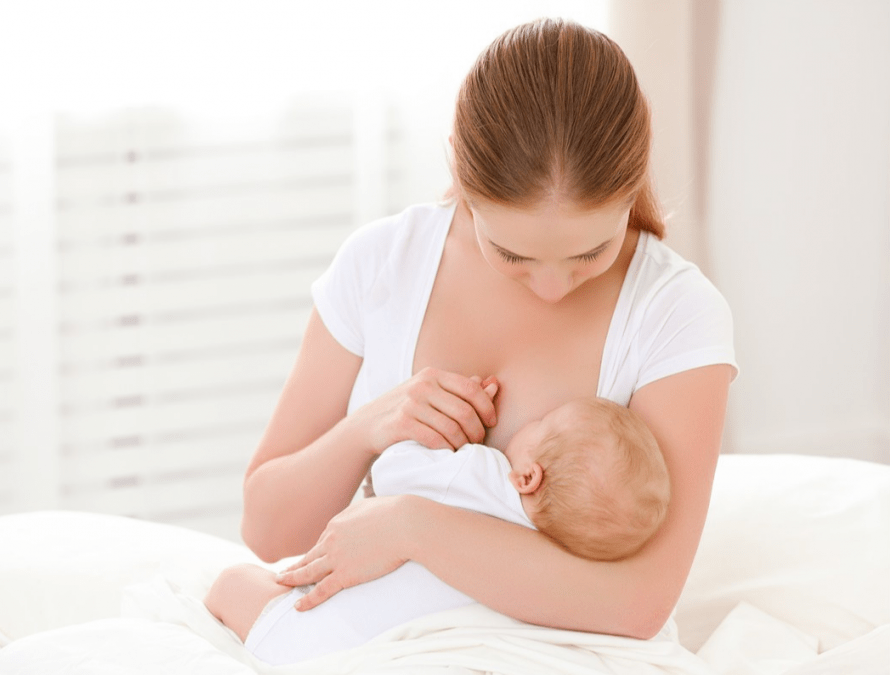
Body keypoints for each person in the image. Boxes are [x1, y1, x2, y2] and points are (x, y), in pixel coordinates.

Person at [238, 17, 736, 643]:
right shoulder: (380, 266)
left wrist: (410, 527)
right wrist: (371, 426)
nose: (553, 289)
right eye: (512, 255)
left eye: (591, 253)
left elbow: (637, 604)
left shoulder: (675, 313)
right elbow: (266, 531)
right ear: (461, 173)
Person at [205, 395, 671, 665]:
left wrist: (449, 438)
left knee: (232, 583)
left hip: (322, 635)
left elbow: (393, 473)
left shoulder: (481, 474)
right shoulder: (552, 561)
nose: (530, 421)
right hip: (384, 653)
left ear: (528, 477)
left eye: (542, 424)